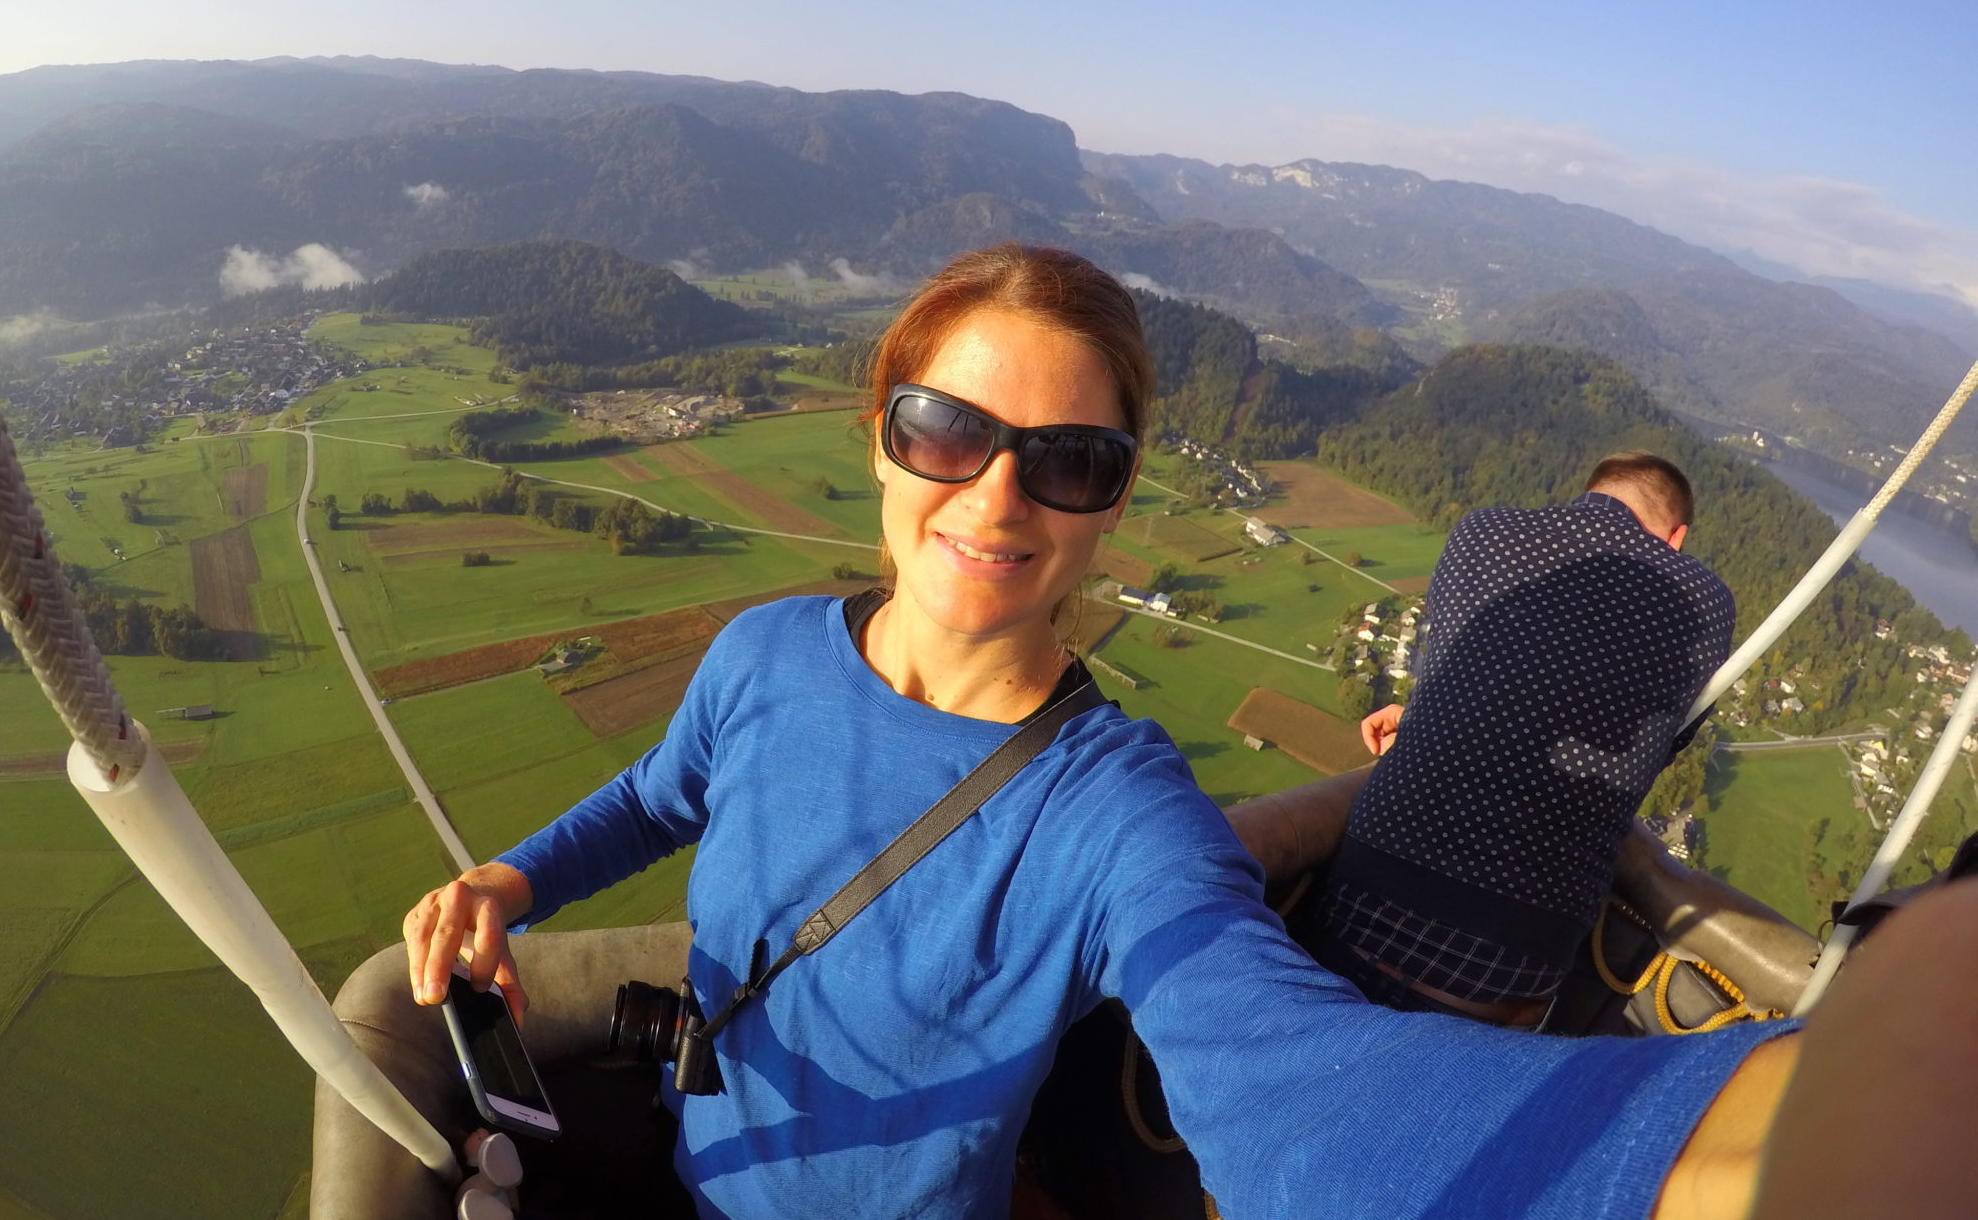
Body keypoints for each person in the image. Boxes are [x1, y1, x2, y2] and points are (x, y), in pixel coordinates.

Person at [377, 245, 1964, 1219]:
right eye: (949, 430)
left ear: (1114, 508)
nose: (996, 493)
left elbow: (1281, 1072)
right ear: (879, 439)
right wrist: (512, 879)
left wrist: (1762, 1142)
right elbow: (662, 791)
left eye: (1067, 462)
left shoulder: (1111, 807)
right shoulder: (763, 650)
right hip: (689, 1164)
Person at [1294, 453, 1733, 1024]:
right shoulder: (1706, 600)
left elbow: (1450, 661)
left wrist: (1432, 717)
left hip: (1370, 886)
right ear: (1677, 536)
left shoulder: (1484, 530)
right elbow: (1654, 746)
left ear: (1590, 494)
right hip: (1517, 947)